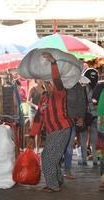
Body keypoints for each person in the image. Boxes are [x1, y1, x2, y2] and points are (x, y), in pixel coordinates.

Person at [28, 52, 83, 192]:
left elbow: (57, 79)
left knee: (47, 157)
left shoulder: (60, 92)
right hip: (53, 132)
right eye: (46, 82)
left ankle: (53, 185)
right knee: (53, 156)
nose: (48, 84)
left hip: (62, 129)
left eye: (49, 82)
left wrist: (53, 63)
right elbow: (38, 119)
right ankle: (58, 179)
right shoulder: (44, 98)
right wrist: (31, 136)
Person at [78, 68, 99, 166]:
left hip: (85, 115)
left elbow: (81, 102)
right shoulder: (98, 88)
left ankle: (84, 160)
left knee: (83, 138)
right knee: (94, 139)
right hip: (95, 115)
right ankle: (95, 160)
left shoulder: (82, 88)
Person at [27, 79, 44, 152]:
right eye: (40, 79)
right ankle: (30, 148)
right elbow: (27, 101)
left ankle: (37, 149)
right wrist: (35, 106)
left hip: (41, 111)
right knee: (33, 130)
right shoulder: (33, 88)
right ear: (36, 80)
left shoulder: (44, 89)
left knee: (39, 131)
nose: (42, 80)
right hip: (33, 110)